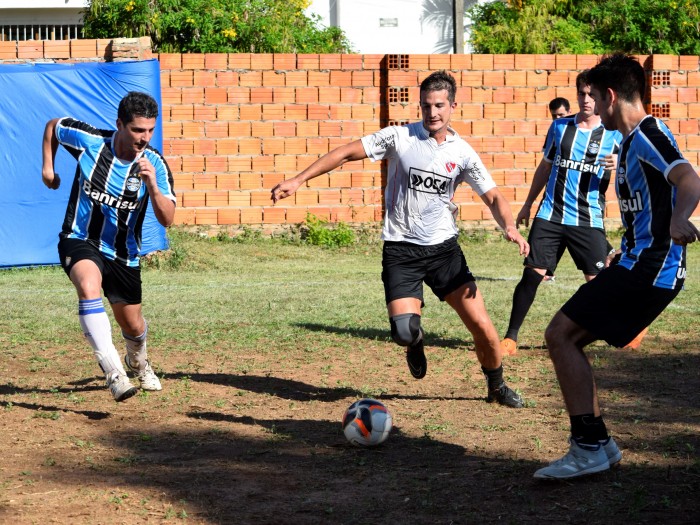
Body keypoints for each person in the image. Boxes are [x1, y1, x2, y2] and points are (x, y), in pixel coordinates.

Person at [271, 70, 529, 408]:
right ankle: (415, 341)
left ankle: (496, 387)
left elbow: (494, 197)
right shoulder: (399, 137)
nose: (432, 113)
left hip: (444, 253)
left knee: (484, 329)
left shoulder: (463, 153)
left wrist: (508, 226)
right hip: (401, 251)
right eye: (426, 106)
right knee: (404, 331)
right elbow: (346, 153)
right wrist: (299, 179)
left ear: (452, 105)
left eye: (439, 105)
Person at [533, 53, 700, 480]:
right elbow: (646, 209)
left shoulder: (647, 133)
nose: (591, 106)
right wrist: (621, 251)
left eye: (594, 98)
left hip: (651, 271)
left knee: (560, 334)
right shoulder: (629, 143)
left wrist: (682, 217)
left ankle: (589, 446)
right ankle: (598, 444)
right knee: (568, 337)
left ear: (610, 96)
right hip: (637, 264)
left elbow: (688, 178)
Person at [42, 91, 176, 402]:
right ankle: (114, 371)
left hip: (124, 254)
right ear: (119, 124)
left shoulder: (154, 163)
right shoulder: (90, 142)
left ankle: (138, 362)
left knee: (132, 324)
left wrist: (153, 186)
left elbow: (167, 218)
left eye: (150, 130)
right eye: (137, 130)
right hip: (79, 238)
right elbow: (53, 126)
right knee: (88, 285)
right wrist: (48, 169)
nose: (144, 138)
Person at [500, 71, 621, 356]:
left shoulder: (615, 135)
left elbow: (635, 169)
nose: (587, 99)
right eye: (582, 93)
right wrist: (528, 203)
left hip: (587, 218)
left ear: (603, 96)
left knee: (599, 285)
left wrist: (622, 161)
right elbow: (544, 167)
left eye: (592, 94)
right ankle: (510, 337)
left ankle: (627, 328)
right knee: (532, 276)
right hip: (550, 215)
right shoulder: (560, 128)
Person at [543, 97, 571, 282]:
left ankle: (610, 255)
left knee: (576, 230)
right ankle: (548, 271)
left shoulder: (580, 129)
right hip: (557, 189)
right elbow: (548, 162)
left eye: (561, 115)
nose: (557, 118)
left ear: (569, 112)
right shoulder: (555, 129)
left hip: (581, 193)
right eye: (554, 116)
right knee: (561, 229)